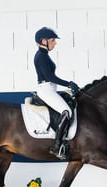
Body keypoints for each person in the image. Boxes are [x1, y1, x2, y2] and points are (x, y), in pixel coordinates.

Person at [34, 27, 80, 160]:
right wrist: (69, 84)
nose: (55, 43)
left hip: (50, 88)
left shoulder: (44, 55)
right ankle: (57, 146)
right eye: (52, 40)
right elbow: (50, 77)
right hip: (46, 89)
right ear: (43, 41)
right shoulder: (41, 56)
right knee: (67, 111)